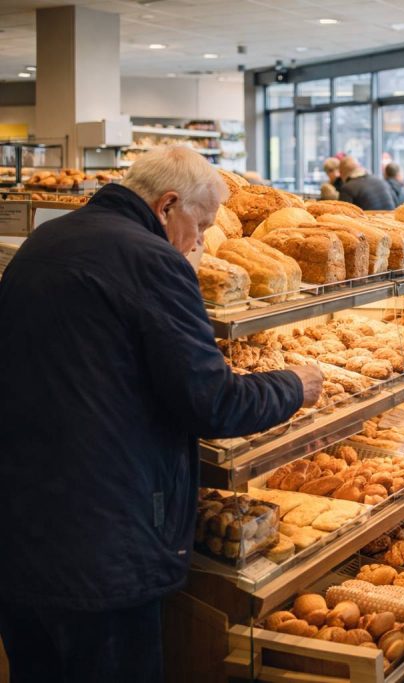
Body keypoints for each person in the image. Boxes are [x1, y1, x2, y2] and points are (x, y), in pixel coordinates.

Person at [0, 145, 323, 682]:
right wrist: (294, 384)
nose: (200, 242)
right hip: (106, 541)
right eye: (200, 225)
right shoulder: (152, 261)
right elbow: (213, 402)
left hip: (23, 526)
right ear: (168, 204)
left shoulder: (46, 240)